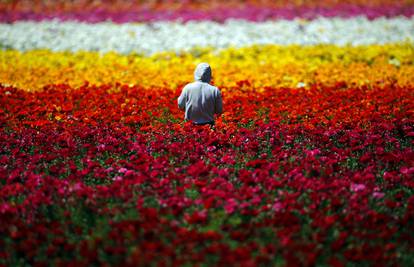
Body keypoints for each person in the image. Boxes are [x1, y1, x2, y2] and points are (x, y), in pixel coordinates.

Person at [178, 63, 223, 127]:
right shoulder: (214, 90)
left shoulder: (187, 88)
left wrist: (188, 109)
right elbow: (219, 110)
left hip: (190, 126)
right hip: (208, 126)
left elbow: (180, 105)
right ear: (209, 74)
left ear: (196, 73)